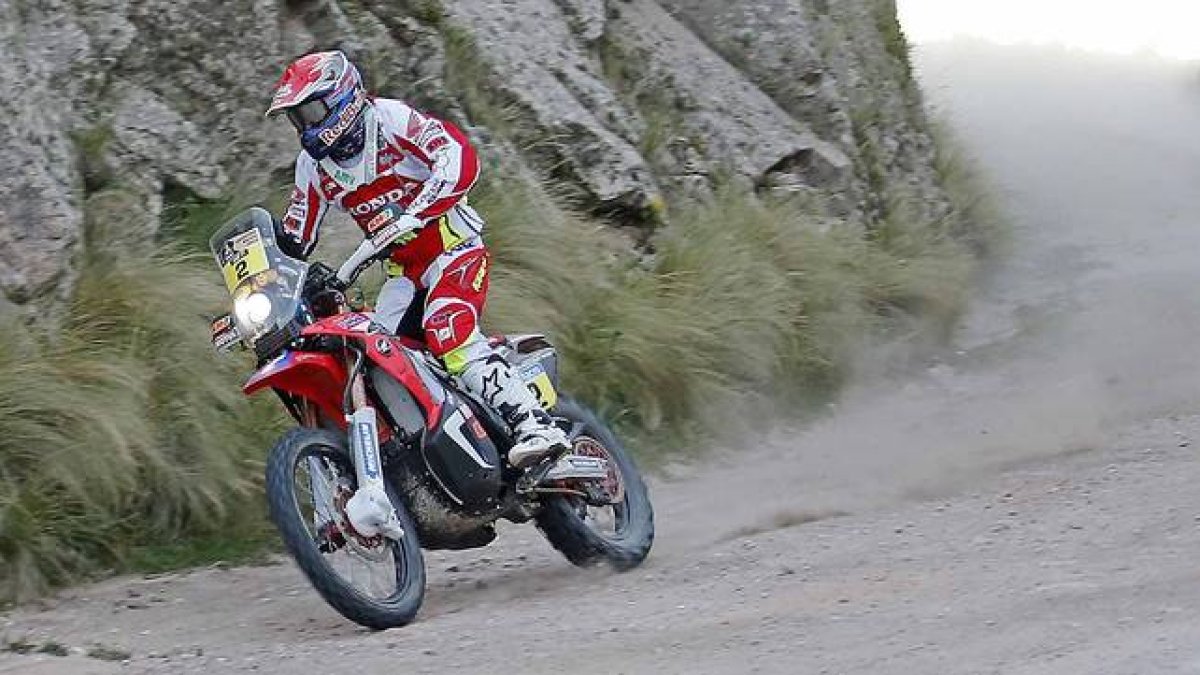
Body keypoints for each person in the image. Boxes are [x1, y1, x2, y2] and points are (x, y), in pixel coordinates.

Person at [266, 50, 568, 470]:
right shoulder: (313, 168)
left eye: (311, 111)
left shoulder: (389, 120)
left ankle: (536, 425)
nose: (306, 126)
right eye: (297, 118)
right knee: (373, 358)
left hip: (453, 247)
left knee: (449, 332)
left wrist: (415, 214)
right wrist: (261, 273)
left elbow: (458, 157)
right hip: (403, 274)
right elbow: (297, 235)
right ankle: (433, 453)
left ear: (342, 97)